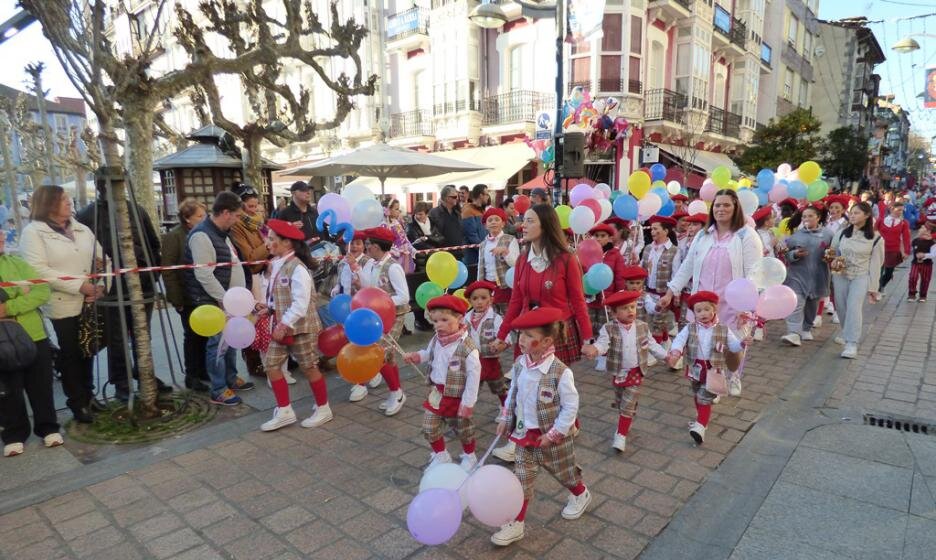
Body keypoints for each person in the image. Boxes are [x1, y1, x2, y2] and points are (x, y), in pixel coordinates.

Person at [491, 204, 592, 463]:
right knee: (523, 385)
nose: (524, 225)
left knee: (552, 387)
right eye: (524, 220)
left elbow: (578, 301)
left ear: (546, 225)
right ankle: (518, 440)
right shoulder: (524, 257)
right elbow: (515, 300)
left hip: (555, 334)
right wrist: (503, 334)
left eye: (530, 221)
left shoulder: (566, 259)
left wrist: (588, 338)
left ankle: (569, 423)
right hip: (527, 334)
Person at [491, 307, 591, 547]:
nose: (520, 340)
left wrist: (556, 433)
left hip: (551, 437)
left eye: (527, 335)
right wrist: (506, 418)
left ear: (546, 341)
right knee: (522, 478)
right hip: (525, 434)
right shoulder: (519, 364)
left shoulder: (560, 373)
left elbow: (570, 407)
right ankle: (517, 522)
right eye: (519, 335)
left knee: (565, 473)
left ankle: (580, 494)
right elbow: (513, 392)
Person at [20, 185, 106, 423]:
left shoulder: (82, 229)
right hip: (62, 303)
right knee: (71, 354)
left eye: (68, 199)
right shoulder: (34, 233)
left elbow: (102, 259)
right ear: (48, 204)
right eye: (63, 200)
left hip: (89, 301)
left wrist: (100, 286)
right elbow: (38, 269)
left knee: (88, 350)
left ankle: (89, 395)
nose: (69, 203)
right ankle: (77, 402)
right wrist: (79, 286)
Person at [76, 178, 165, 403]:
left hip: (141, 284)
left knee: (141, 335)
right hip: (111, 289)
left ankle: (145, 374)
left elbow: (153, 243)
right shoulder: (88, 215)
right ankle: (121, 382)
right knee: (116, 339)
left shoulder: (137, 211)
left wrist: (152, 275)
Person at [258, 219, 332, 431]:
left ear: (287, 243)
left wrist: (283, 323)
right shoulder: (278, 263)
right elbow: (279, 295)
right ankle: (284, 411)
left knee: (309, 368)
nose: (268, 242)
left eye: (272, 239)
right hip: (281, 326)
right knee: (271, 365)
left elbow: (301, 302)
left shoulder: (298, 268)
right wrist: (269, 307)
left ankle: (323, 408)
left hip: (301, 328)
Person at [185, 191, 255, 405]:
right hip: (213, 299)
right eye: (235, 216)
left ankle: (230, 377)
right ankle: (218, 388)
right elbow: (204, 274)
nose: (236, 221)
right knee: (217, 344)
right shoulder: (202, 236)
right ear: (225, 213)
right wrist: (224, 298)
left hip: (229, 298)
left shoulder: (221, 233)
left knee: (230, 339)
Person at [581, 290, 667, 452]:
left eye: (633, 307)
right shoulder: (608, 328)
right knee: (622, 402)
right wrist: (594, 350)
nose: (630, 311)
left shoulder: (642, 326)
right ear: (613, 313)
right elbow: (602, 344)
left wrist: (666, 356)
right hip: (618, 372)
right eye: (625, 308)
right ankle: (628, 413)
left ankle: (620, 435)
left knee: (627, 404)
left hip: (636, 372)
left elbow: (652, 345)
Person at [404, 295, 481, 471]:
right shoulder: (437, 339)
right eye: (436, 320)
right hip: (437, 394)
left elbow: (473, 378)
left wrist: (468, 403)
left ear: (460, 318)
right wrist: (416, 356)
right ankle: (441, 454)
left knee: (463, 429)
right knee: (429, 427)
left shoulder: (468, 348)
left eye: (445, 320)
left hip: (457, 397)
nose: (439, 325)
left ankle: (470, 456)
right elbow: (428, 352)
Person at [0, 232, 59, 457]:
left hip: (33, 335)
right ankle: (13, 435)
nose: (1, 236)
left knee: (41, 385)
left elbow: (42, 290)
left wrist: (8, 306)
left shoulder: (18, 263)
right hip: (2, 342)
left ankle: (48, 428)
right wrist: (20, 291)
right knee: (7, 391)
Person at [667, 291, 746, 445]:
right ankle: (701, 420)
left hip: (713, 369)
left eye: (706, 309)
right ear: (694, 313)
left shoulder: (723, 329)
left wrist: (742, 343)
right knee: (697, 393)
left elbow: (734, 345)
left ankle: (701, 427)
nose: (703, 313)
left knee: (705, 398)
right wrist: (675, 352)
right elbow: (679, 340)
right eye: (699, 310)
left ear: (714, 310)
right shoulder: (690, 328)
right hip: (695, 367)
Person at [358, 227, 410, 415]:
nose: (366, 247)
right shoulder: (371, 263)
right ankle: (395, 392)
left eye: (369, 244)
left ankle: (396, 392)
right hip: (377, 315)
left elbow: (403, 296)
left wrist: (380, 301)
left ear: (378, 246)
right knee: (386, 356)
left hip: (394, 315)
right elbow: (368, 286)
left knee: (379, 353)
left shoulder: (393, 267)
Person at [162, 198, 210, 391]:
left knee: (205, 335)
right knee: (192, 336)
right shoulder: (175, 237)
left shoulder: (203, 233)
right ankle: (192, 374)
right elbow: (168, 269)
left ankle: (203, 369)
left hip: (203, 293)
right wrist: (176, 298)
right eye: (199, 216)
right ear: (187, 218)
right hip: (186, 295)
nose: (204, 218)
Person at [829, 202, 884, 359]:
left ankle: (851, 343)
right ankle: (846, 331)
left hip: (861, 276)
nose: (852, 215)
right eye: (851, 213)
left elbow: (876, 264)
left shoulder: (876, 238)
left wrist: (873, 288)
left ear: (867, 216)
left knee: (853, 307)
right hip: (840, 275)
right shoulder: (842, 233)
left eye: (857, 213)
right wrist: (832, 259)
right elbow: (832, 251)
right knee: (841, 307)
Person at [333, 230, 381, 401]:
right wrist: (336, 290)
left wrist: (355, 267)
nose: (354, 246)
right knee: (353, 341)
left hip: (363, 307)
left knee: (362, 342)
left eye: (358, 243)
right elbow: (340, 282)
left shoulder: (369, 263)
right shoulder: (341, 263)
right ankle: (371, 371)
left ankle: (362, 381)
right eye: (351, 243)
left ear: (364, 246)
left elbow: (368, 286)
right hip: (347, 308)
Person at [228, 184, 270, 378]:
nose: (254, 210)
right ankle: (253, 362)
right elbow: (250, 257)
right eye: (250, 207)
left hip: (265, 274)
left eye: (256, 206)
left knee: (267, 317)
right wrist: (268, 244)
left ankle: (269, 357)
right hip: (250, 277)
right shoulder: (237, 226)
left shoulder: (258, 223)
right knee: (252, 319)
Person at [779, 205, 832, 347]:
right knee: (795, 303)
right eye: (804, 216)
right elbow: (786, 254)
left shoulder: (828, 235)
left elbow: (834, 252)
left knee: (811, 305)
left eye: (810, 216)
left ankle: (806, 327)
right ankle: (794, 333)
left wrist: (830, 256)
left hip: (818, 276)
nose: (806, 219)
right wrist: (794, 254)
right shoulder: (795, 236)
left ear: (818, 217)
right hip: (797, 275)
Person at [463, 281, 510, 407]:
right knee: (472, 387)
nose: (479, 302)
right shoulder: (465, 319)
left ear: (491, 299)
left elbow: (505, 336)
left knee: (499, 386)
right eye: (475, 298)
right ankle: (466, 410)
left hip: (491, 362)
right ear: (470, 301)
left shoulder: (495, 318)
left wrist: (501, 344)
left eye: (483, 298)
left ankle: (506, 408)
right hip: (473, 362)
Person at [641, 216, 681, 347]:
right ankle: (666, 341)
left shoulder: (674, 251)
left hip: (663, 293)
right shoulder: (648, 248)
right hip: (647, 291)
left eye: (656, 228)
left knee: (657, 322)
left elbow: (676, 275)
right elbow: (642, 268)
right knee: (649, 320)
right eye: (651, 229)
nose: (652, 231)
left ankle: (655, 351)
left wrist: (674, 294)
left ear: (665, 231)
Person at [477, 206, 519, 311]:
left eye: (497, 219)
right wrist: (479, 284)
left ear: (503, 223)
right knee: (490, 315)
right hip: (488, 286)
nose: (493, 222)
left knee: (507, 314)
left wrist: (505, 252)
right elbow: (480, 267)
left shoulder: (510, 240)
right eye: (490, 220)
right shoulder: (483, 244)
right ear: (485, 226)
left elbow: (516, 264)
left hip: (505, 286)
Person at [876, 200, 910, 289]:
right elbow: (874, 233)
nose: (901, 212)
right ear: (891, 209)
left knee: (888, 273)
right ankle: (876, 289)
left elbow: (906, 238)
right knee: (877, 271)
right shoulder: (881, 220)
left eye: (902, 210)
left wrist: (905, 252)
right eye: (899, 210)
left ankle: (880, 286)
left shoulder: (903, 223)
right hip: (880, 249)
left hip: (893, 251)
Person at [381, 197, 416, 274]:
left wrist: (411, 248)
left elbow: (404, 239)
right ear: (388, 210)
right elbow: (386, 242)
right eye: (396, 209)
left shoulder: (396, 223)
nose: (399, 211)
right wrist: (394, 251)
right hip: (394, 257)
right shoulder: (384, 225)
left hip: (405, 256)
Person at [461, 184, 489, 272]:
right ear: (481, 195)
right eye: (487, 194)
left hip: (481, 254)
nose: (488, 197)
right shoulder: (468, 211)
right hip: (472, 257)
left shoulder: (482, 210)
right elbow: (472, 235)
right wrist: (485, 251)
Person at [428, 185, 465, 249]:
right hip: (442, 252)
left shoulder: (457, 213)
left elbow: (461, 231)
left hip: (459, 251)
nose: (457, 198)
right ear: (447, 198)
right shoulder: (434, 213)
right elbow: (431, 234)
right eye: (454, 197)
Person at [908, 225, 934, 302]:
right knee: (913, 277)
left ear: (928, 231)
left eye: (922, 228)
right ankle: (912, 294)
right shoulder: (915, 240)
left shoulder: (932, 242)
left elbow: (933, 254)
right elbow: (911, 250)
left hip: (927, 264)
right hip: (915, 263)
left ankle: (923, 295)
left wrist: (924, 255)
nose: (920, 229)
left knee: (925, 279)